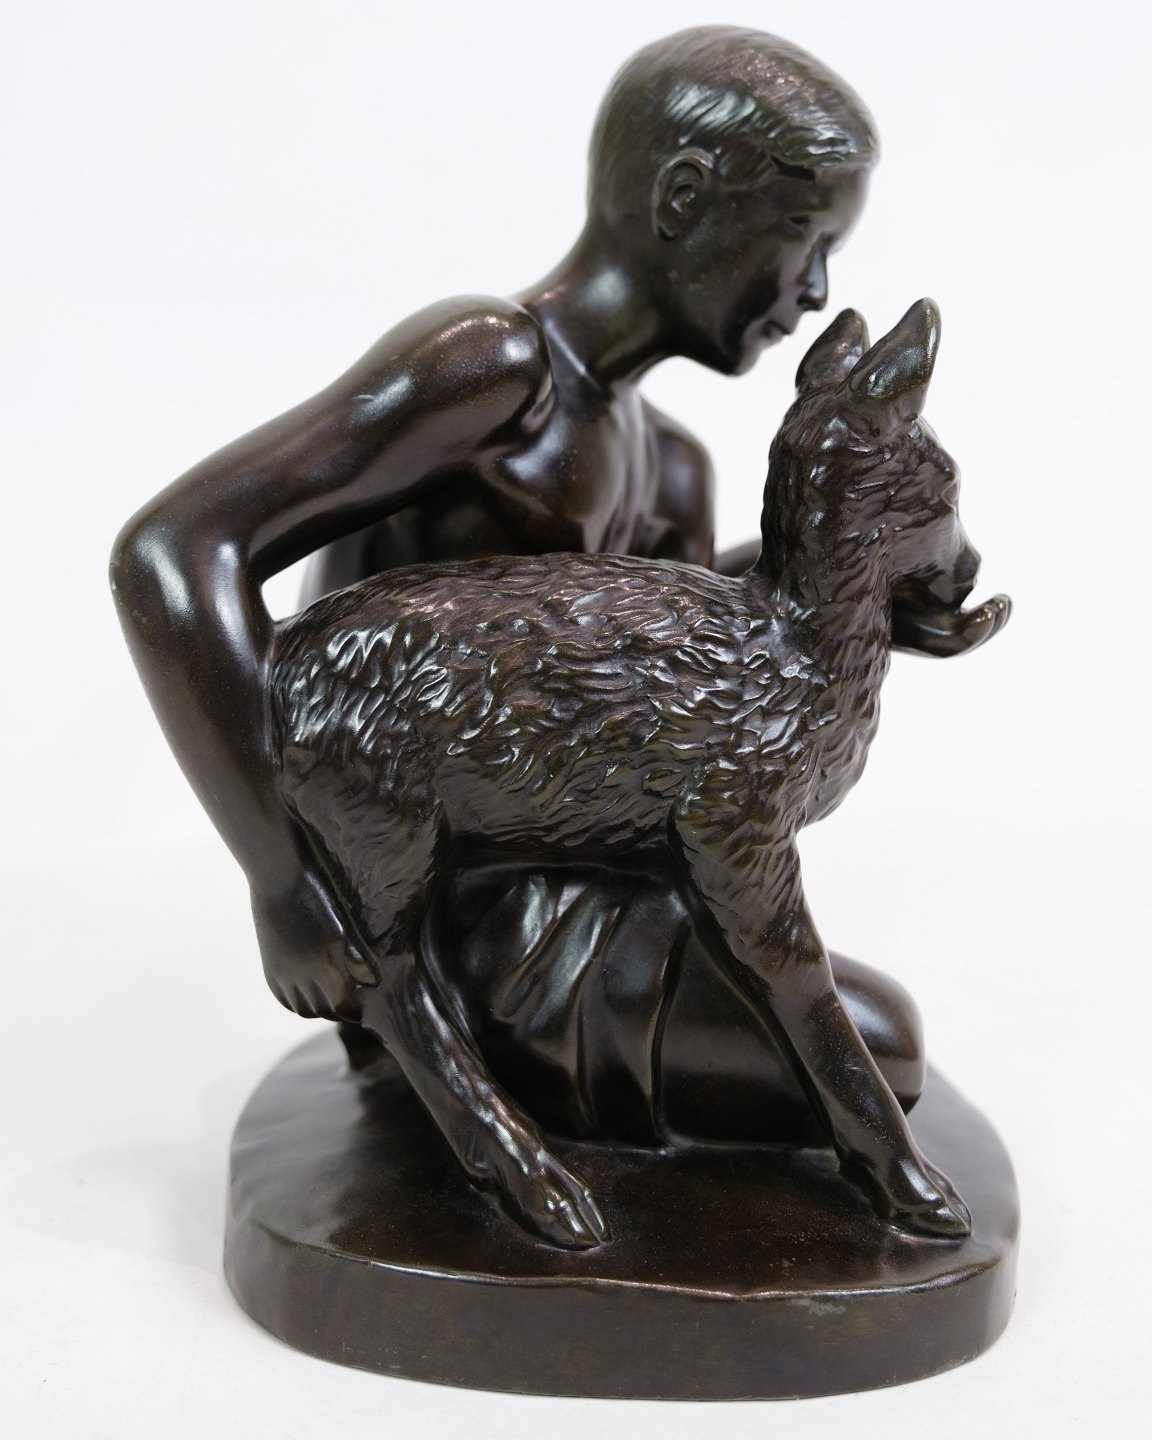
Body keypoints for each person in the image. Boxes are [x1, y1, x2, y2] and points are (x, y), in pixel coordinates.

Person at [111, 27, 976, 1243]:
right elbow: (171, 554)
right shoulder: (491, 371)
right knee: (876, 1043)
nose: (817, 292)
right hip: (459, 909)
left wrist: (869, 609)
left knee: (876, 1031)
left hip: (598, 867)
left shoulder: (669, 467)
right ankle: (455, 1078)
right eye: (803, 240)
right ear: (685, 200)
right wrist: (284, 882)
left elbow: (698, 697)